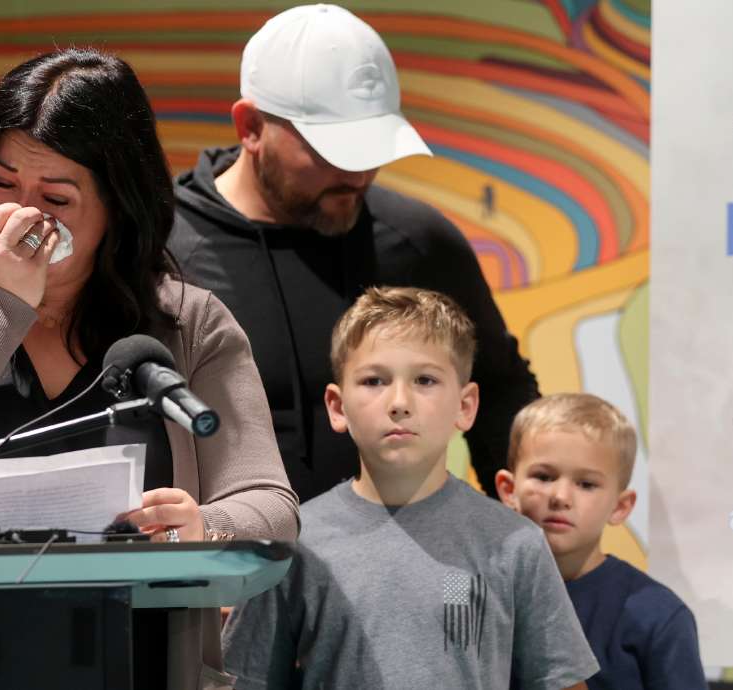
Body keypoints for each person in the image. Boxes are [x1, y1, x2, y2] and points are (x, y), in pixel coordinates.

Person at [0, 48, 299, 690]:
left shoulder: (190, 325)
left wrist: (203, 527)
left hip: (145, 664)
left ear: (116, 209)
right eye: (2, 183)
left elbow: (270, 506)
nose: (21, 217)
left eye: (57, 198)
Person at [167, 4, 539, 502]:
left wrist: (522, 537)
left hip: (396, 570)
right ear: (251, 126)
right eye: (332, 151)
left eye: (371, 149)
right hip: (215, 572)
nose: (358, 174)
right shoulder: (158, 245)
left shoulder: (418, 243)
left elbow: (499, 391)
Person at [220, 287, 596, 689]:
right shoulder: (294, 544)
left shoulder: (515, 543)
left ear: (465, 406)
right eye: (374, 380)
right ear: (337, 406)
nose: (399, 402)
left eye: (425, 380)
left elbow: (561, 681)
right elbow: (245, 682)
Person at [495, 394, 707, 690]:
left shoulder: (658, 616)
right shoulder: (480, 596)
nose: (560, 497)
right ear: (508, 490)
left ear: (620, 507)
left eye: (586, 484)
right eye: (543, 476)